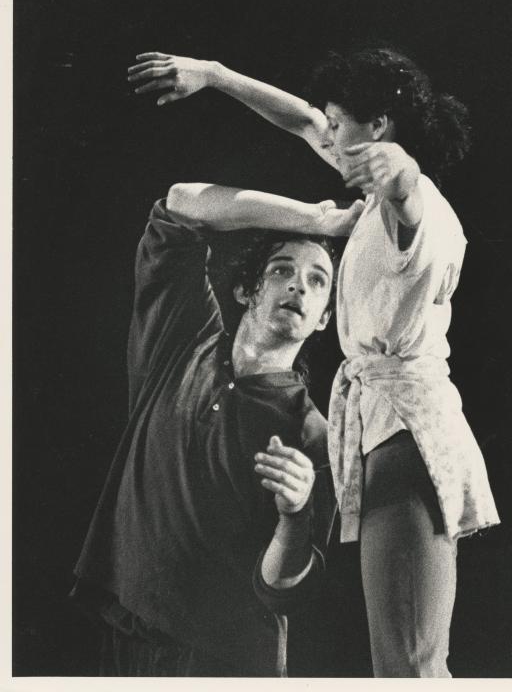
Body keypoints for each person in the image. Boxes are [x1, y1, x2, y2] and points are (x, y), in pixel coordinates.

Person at [127, 46, 501, 677]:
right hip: (383, 432)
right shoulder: (369, 207)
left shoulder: (419, 209)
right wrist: (217, 76)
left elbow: (412, 201)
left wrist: (402, 168)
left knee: (410, 661)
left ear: (377, 127)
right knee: (400, 660)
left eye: (339, 123)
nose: (325, 134)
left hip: (409, 433)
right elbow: (300, 120)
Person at [71, 182, 364, 677]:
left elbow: (282, 587)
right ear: (247, 290)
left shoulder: (317, 433)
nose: (298, 286)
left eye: (318, 282)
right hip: (125, 627)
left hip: (220, 661)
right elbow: (182, 202)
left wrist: (294, 514)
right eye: (282, 271)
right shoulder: (181, 338)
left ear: (324, 320)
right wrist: (318, 222)